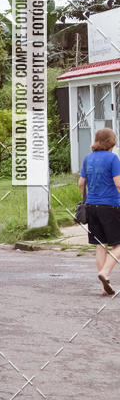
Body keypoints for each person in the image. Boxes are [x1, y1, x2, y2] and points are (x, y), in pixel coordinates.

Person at [79, 127, 120, 296]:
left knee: (100, 245)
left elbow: (81, 183)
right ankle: (105, 273)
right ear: (111, 141)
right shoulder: (113, 158)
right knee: (118, 244)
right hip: (110, 206)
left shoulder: (88, 159)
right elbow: (118, 183)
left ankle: (104, 288)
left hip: (91, 207)